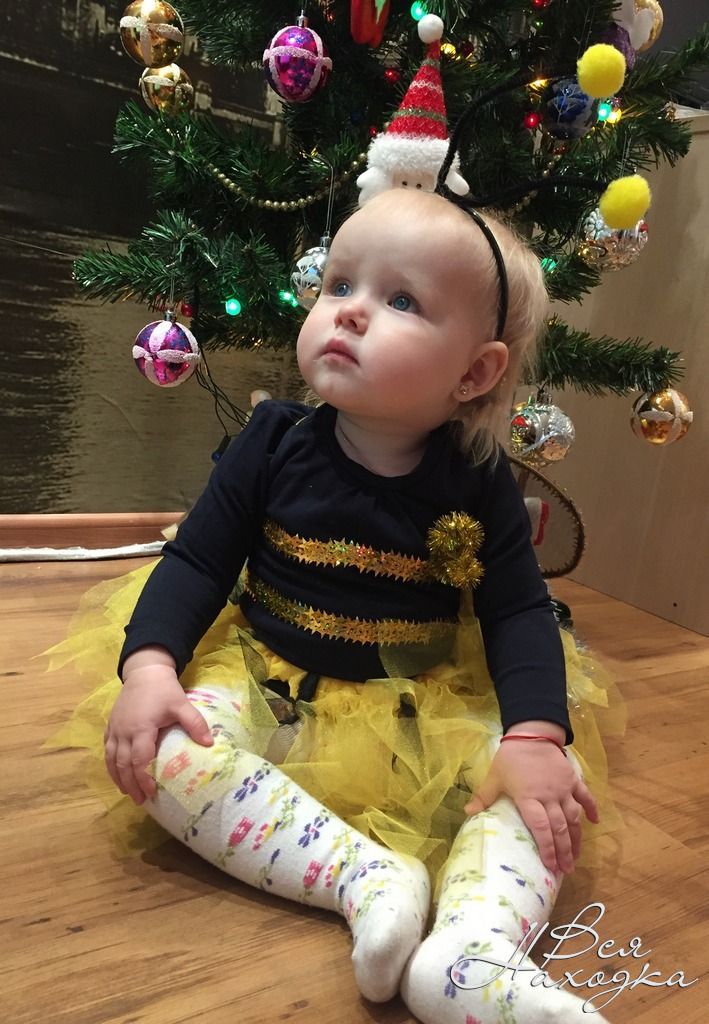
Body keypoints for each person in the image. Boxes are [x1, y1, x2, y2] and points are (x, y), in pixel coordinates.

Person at [44, 187, 625, 1023]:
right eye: (338, 285)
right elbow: (198, 560)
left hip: (421, 704)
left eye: (400, 301)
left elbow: (517, 612)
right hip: (267, 677)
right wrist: (150, 668)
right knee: (162, 752)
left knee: (544, 788)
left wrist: (535, 736)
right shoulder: (272, 441)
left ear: (474, 373)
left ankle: (470, 951)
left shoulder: (479, 480)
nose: (348, 311)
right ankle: (367, 879)